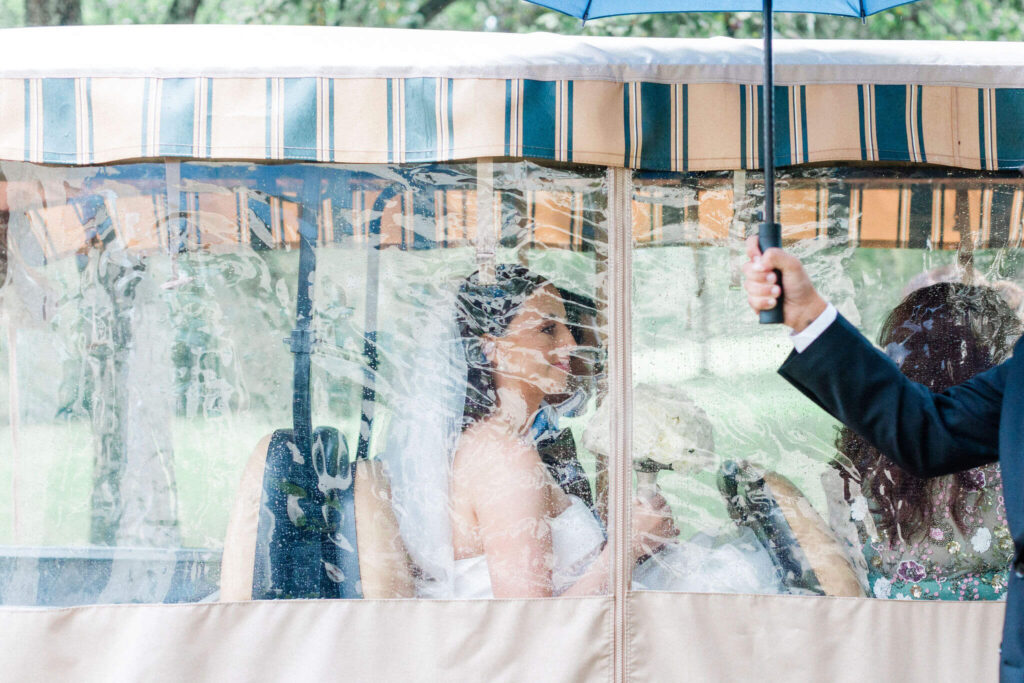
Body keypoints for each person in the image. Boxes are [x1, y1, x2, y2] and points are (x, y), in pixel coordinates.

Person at [382, 264, 784, 599]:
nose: (571, 344)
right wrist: (628, 547)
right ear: (493, 347)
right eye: (547, 329)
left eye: (567, 328)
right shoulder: (502, 458)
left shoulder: (506, 443)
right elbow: (532, 629)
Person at [743, 236, 1024, 679]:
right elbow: (926, 432)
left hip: (889, 652)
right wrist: (808, 315)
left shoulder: (849, 474)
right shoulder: (1009, 399)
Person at [823, 283, 1019, 601]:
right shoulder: (1008, 451)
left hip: (887, 635)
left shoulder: (856, 461)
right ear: (986, 364)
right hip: (996, 634)